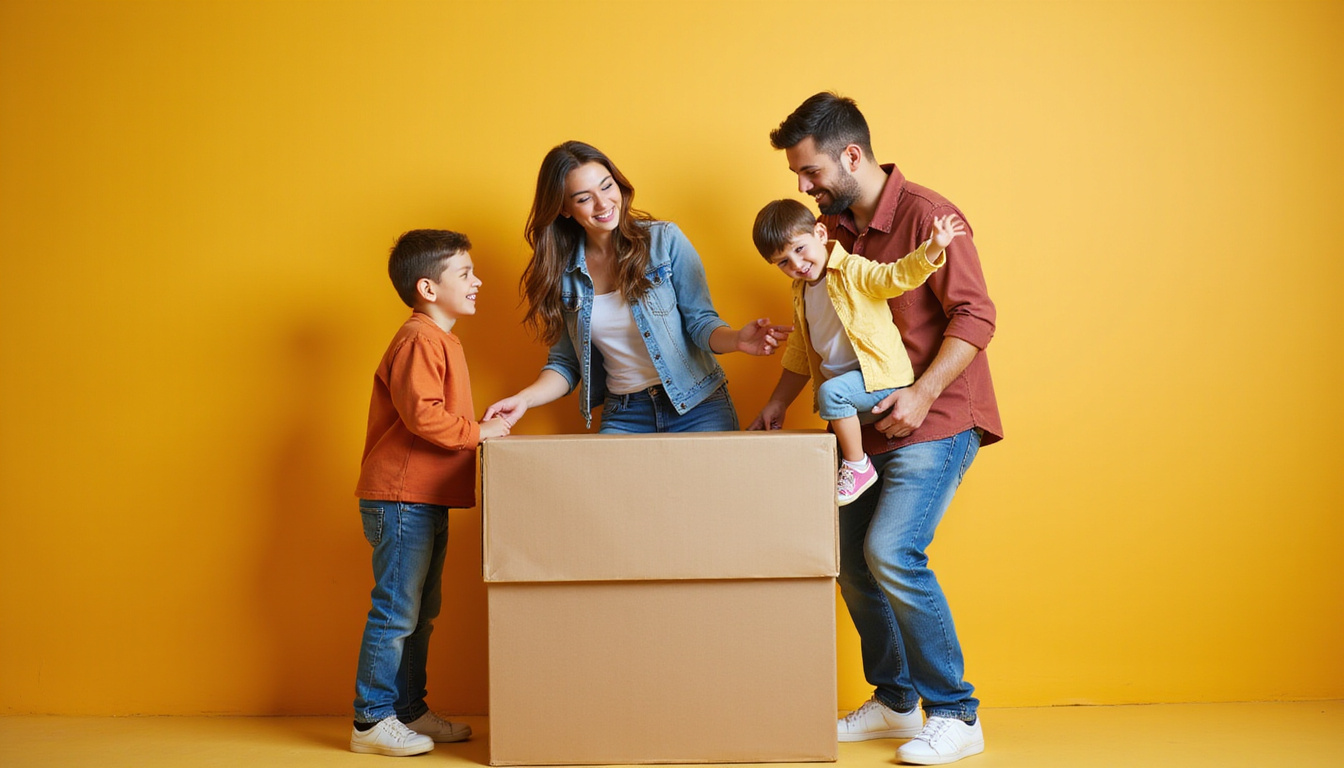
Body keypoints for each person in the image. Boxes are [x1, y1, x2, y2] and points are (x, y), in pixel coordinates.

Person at [752, 93, 1003, 765]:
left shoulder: (927, 215)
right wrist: (780, 397)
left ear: (850, 156)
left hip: (937, 417)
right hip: (864, 429)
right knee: (852, 565)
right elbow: (818, 341)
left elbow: (976, 317)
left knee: (892, 552)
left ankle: (955, 711)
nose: (803, 188)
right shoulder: (823, 234)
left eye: (809, 173)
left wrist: (922, 394)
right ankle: (895, 701)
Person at [483, 141, 790, 433]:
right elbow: (565, 364)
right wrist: (523, 400)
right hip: (626, 414)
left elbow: (701, 323)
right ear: (564, 208)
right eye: (583, 198)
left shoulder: (664, 241)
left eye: (606, 186)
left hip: (698, 406)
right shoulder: (563, 274)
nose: (603, 203)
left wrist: (737, 339)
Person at [351, 229, 511, 756]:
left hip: (423, 497)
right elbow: (422, 415)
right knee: (397, 610)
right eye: (464, 274)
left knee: (422, 610)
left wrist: (474, 426)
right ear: (427, 287)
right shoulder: (419, 338)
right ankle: (371, 720)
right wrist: (478, 433)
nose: (477, 281)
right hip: (401, 498)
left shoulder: (439, 338)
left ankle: (408, 709)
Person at [751, 198, 964, 505]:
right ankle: (857, 458)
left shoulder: (851, 270)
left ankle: (857, 465)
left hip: (880, 377)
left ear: (821, 235)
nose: (796, 265)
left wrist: (932, 249)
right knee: (833, 392)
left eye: (799, 249)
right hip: (853, 390)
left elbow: (893, 277)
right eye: (783, 262)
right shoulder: (800, 291)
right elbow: (800, 349)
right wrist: (778, 402)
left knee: (831, 393)